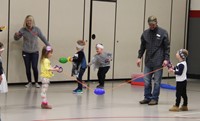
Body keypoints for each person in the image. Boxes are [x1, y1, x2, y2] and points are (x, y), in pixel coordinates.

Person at [136, 15, 170, 105]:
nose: (152, 26)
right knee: (147, 81)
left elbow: (167, 48)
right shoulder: (145, 33)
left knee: (157, 82)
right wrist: (139, 57)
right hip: (148, 61)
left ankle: (154, 98)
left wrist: (166, 59)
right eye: (150, 24)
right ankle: (147, 97)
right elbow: (142, 47)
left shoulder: (163, 33)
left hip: (158, 61)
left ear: (156, 23)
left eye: (153, 24)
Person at [14, 15, 50, 88]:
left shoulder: (37, 29)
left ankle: (36, 82)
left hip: (35, 52)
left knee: (34, 67)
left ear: (33, 21)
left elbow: (43, 38)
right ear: (25, 22)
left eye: (30, 20)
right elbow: (16, 38)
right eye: (27, 20)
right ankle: (29, 82)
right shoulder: (22, 30)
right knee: (27, 68)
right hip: (25, 52)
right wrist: (16, 35)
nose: (29, 22)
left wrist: (49, 46)